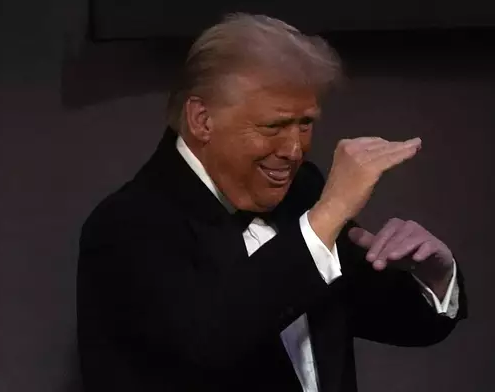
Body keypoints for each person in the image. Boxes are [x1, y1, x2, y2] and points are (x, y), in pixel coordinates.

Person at [76, 13, 467, 392]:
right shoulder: (126, 226)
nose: (294, 150)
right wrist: (328, 213)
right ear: (202, 120)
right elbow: (212, 341)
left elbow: (388, 317)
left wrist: (435, 275)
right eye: (273, 126)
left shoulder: (304, 191)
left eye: (306, 124)